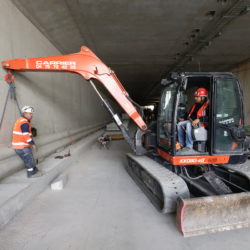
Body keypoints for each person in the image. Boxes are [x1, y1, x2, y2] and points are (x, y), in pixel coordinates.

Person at [12, 106, 42, 178]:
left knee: (29, 159)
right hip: (22, 146)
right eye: (29, 113)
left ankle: (35, 170)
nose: (31, 115)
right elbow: (25, 135)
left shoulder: (22, 121)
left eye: (31, 113)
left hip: (19, 146)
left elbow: (26, 132)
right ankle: (31, 174)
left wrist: (32, 131)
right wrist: (33, 144)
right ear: (24, 113)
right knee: (29, 160)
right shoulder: (24, 122)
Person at [177, 88, 209, 152]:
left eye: (197, 97)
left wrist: (199, 119)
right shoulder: (195, 105)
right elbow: (190, 114)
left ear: (202, 98)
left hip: (201, 124)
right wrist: (184, 119)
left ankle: (189, 146)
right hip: (192, 121)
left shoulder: (208, 106)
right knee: (179, 124)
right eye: (195, 97)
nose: (195, 98)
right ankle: (182, 144)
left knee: (188, 124)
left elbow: (209, 117)